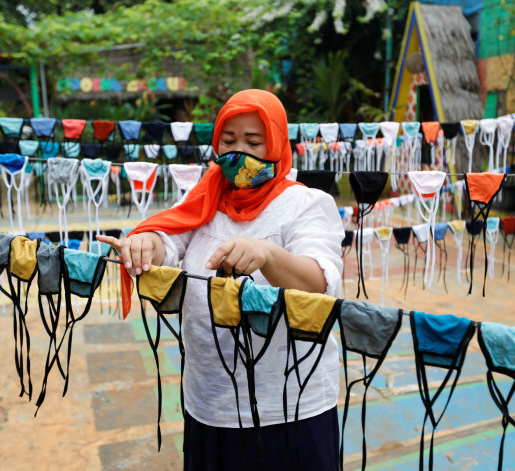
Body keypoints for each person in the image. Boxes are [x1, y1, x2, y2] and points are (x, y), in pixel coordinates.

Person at [98, 89, 344, 470]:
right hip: (211, 402)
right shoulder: (207, 196)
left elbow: (319, 283)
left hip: (290, 408)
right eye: (228, 141)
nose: (238, 153)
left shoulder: (307, 204)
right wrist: (147, 243)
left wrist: (268, 255)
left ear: (277, 142)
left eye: (253, 141)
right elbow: (170, 237)